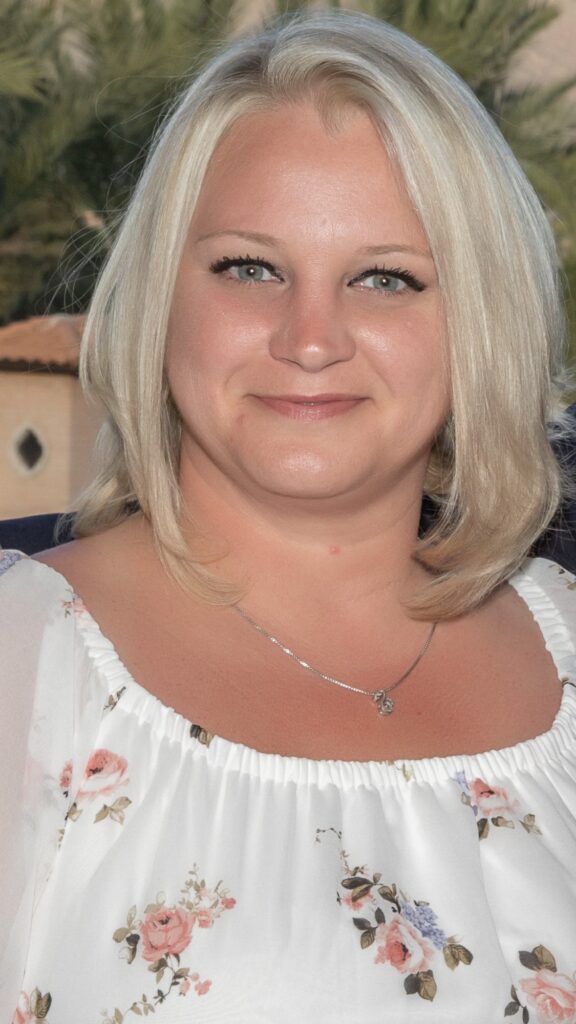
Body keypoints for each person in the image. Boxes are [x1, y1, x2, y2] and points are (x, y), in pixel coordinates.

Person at [1, 10, 575, 1021]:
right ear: (159, 298)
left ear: (480, 320)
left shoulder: (567, 636)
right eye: (249, 268)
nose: (311, 338)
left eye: (385, 277)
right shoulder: (28, 662)